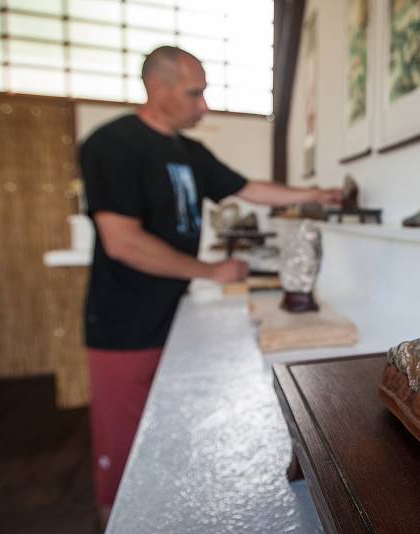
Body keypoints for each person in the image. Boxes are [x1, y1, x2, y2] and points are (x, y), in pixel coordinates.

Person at [79, 45, 340, 524]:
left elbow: (249, 189)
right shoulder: (111, 145)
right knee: (121, 461)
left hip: (172, 312)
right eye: (194, 93)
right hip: (123, 325)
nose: (204, 105)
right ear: (158, 90)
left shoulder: (189, 152)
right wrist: (211, 271)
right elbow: (122, 242)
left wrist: (317, 194)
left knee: (163, 446)